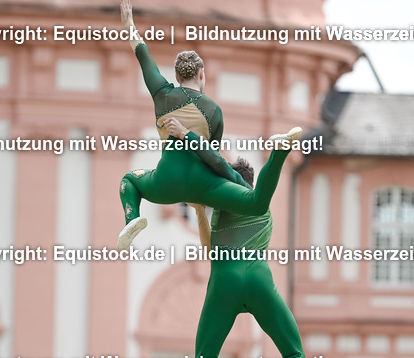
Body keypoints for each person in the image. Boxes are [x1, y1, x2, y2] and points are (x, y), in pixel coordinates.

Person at [115, 0, 300, 251]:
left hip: (166, 181)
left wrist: (130, 26)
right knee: (256, 203)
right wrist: (234, 185)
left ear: (177, 77)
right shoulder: (214, 110)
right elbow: (213, 159)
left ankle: (132, 219)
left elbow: (144, 57)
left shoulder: (162, 94)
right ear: (202, 75)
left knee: (129, 180)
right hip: (203, 184)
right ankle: (279, 151)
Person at [184, 156, 307, 358]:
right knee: (293, 353)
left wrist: (201, 210)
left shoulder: (221, 209)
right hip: (258, 280)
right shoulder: (258, 203)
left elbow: (209, 248)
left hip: (223, 282)